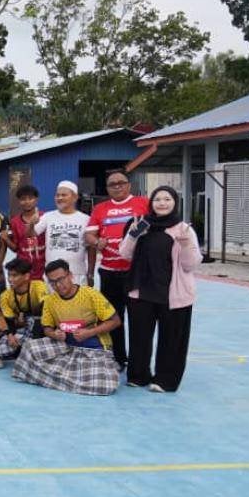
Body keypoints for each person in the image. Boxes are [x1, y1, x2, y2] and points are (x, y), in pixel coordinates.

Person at [118, 186, 201, 392]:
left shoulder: (184, 229)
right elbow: (125, 254)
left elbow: (191, 265)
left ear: (175, 202)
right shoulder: (141, 223)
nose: (162, 203)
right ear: (151, 203)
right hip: (141, 292)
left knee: (172, 340)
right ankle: (138, 376)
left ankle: (165, 380)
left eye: (167, 199)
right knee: (139, 337)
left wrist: (185, 244)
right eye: (157, 199)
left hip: (173, 295)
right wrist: (134, 235)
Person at [12, 259, 121, 396]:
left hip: (93, 349)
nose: (58, 285)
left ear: (70, 275)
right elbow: (47, 328)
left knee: (105, 386)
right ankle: (72, 378)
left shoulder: (90, 294)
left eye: (61, 279)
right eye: (52, 282)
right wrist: (54, 334)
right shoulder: (50, 301)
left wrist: (89, 332)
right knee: (29, 348)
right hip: (65, 347)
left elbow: (115, 321)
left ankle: (57, 378)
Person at [86, 169, 149, 370]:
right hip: (109, 272)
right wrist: (97, 242)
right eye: (113, 184)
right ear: (107, 188)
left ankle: (138, 362)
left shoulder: (143, 204)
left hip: (136, 272)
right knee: (113, 318)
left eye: (121, 182)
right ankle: (118, 359)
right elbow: (89, 236)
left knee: (139, 319)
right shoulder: (100, 209)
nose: (117, 186)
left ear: (129, 185)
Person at [29, 180, 94, 287]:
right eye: (57, 195)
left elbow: (91, 249)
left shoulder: (86, 219)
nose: (59, 198)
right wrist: (31, 223)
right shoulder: (48, 216)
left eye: (64, 195)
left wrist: (90, 273)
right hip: (52, 275)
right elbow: (30, 234)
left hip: (77, 274)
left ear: (75, 197)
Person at [0, 258, 47, 366]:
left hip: (39, 327)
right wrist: (10, 336)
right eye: (9, 275)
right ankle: (7, 352)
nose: (10, 279)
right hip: (21, 327)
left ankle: (30, 350)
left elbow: (46, 309)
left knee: (35, 320)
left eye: (14, 275)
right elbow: (8, 320)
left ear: (26, 276)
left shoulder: (38, 286)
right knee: (1, 348)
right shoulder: (5, 296)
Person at [7, 184, 46, 281]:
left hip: (44, 268)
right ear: (19, 201)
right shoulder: (14, 222)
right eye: (23, 199)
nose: (27, 202)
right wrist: (6, 239)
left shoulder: (45, 217)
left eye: (30, 198)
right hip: (23, 269)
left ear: (36, 199)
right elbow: (15, 248)